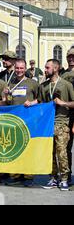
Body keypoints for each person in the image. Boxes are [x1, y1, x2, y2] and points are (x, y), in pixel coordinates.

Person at [39, 59, 74, 192]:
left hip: (62, 122)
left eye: (48, 68)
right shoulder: (44, 86)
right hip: (48, 124)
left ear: (56, 68)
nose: (45, 70)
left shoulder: (66, 85)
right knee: (50, 153)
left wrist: (63, 103)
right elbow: (40, 103)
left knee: (62, 152)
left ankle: (64, 178)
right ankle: (53, 178)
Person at [61, 48, 74, 183]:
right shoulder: (63, 74)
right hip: (67, 116)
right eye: (69, 56)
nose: (71, 59)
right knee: (66, 147)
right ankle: (67, 175)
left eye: (73, 57)